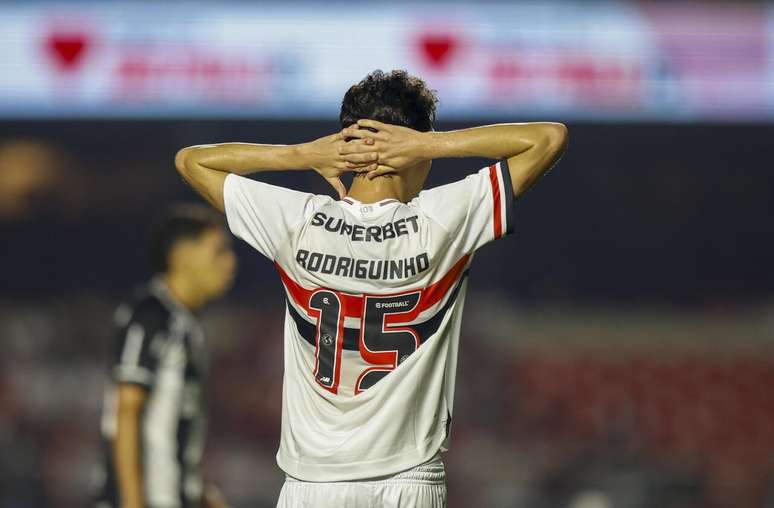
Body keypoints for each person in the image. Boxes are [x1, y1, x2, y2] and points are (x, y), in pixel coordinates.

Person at [174, 69, 567, 507]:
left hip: (313, 483)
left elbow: (191, 161)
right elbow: (548, 138)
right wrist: (427, 144)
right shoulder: (442, 219)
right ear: (411, 147)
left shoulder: (296, 220)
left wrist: (303, 154)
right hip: (409, 479)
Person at [95, 205, 237, 508]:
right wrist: (133, 502)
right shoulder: (150, 315)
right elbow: (127, 409)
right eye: (219, 252)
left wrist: (198, 490)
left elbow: (173, 429)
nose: (230, 263)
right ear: (183, 257)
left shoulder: (184, 324)